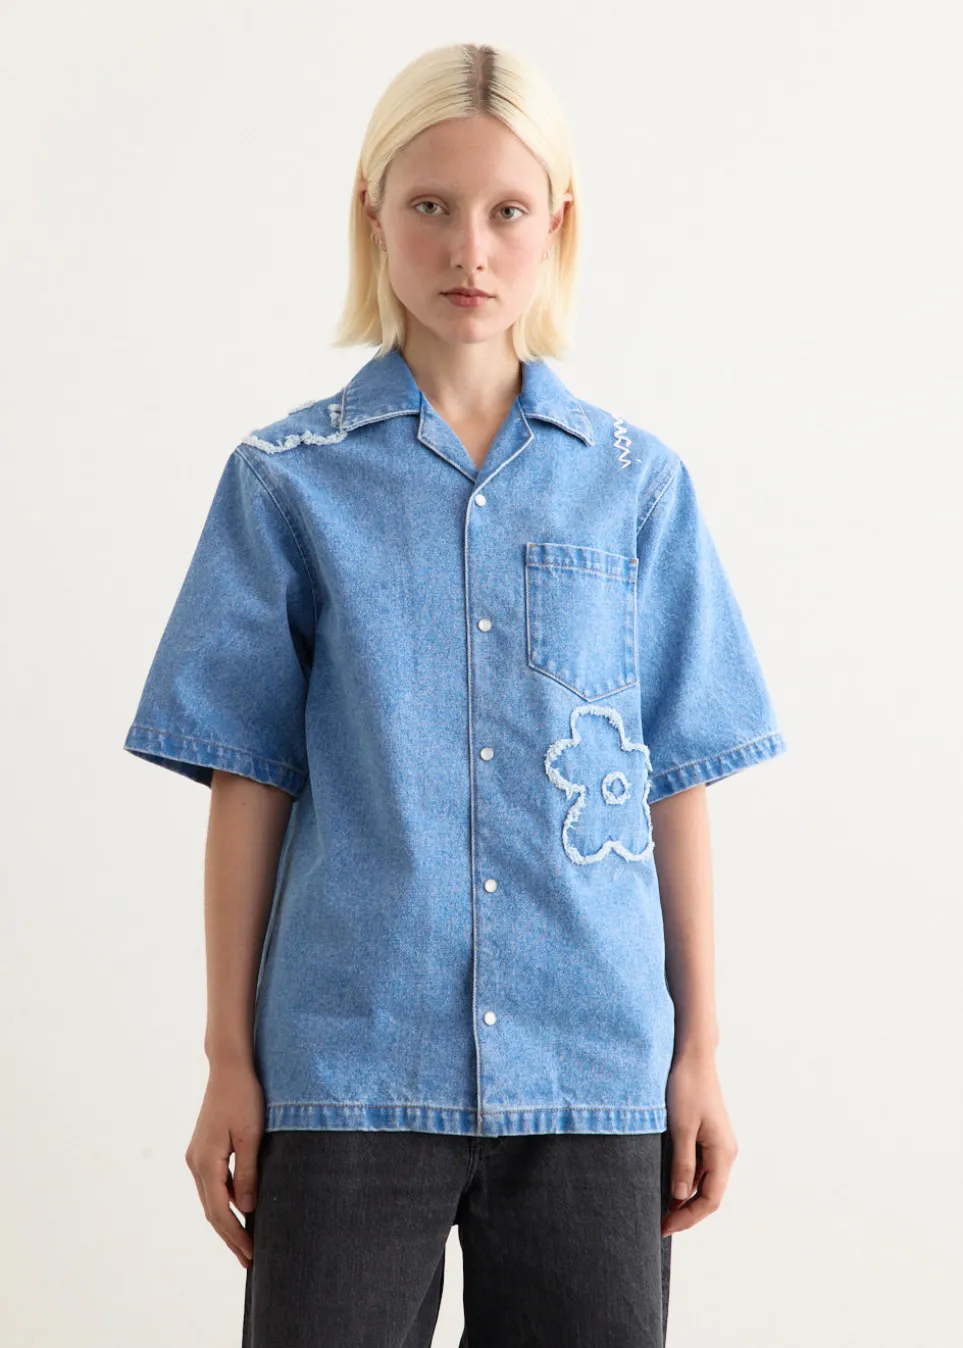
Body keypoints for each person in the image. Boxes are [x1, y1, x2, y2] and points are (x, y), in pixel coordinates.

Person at [123, 40, 787, 1348]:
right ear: (371, 213)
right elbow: (249, 783)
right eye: (429, 204)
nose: (468, 249)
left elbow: (673, 783)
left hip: (592, 1074)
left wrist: (699, 1054)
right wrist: (227, 1062)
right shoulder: (286, 483)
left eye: (506, 210)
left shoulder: (636, 490)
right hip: (347, 1071)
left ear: (558, 224)